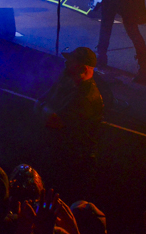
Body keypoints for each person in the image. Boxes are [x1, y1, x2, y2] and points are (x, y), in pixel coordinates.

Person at [35, 46, 104, 189]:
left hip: (73, 164)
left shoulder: (86, 97)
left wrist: (42, 108)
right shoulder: (69, 82)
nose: (66, 64)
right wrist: (44, 107)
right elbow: (43, 99)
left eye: (71, 62)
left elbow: (55, 121)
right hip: (58, 155)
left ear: (83, 69)